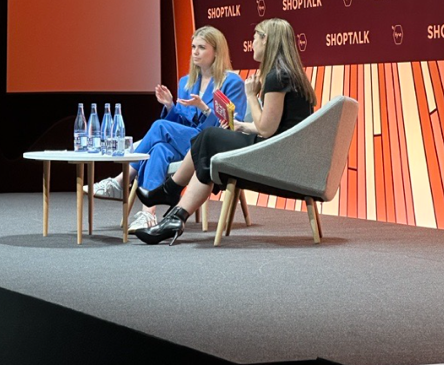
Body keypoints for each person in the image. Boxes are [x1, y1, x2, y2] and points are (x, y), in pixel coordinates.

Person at [134, 17, 317, 245]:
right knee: (208, 145)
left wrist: (251, 95)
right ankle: (175, 216)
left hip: (276, 155)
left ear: (266, 40)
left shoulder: (276, 77)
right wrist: (241, 126)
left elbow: (267, 129)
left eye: (255, 38)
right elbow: (278, 125)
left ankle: (171, 190)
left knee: (209, 137)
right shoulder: (289, 73)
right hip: (283, 149)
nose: (252, 43)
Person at [85, 26, 246, 231]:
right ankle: (148, 214)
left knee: (160, 127)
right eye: (193, 47)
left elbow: (233, 125)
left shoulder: (232, 81)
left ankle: (121, 180)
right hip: (187, 142)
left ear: (216, 51)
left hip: (211, 143)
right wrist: (170, 105)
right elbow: (181, 123)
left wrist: (205, 109)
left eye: (202, 47)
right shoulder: (186, 82)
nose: (195, 52)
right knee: (159, 149)